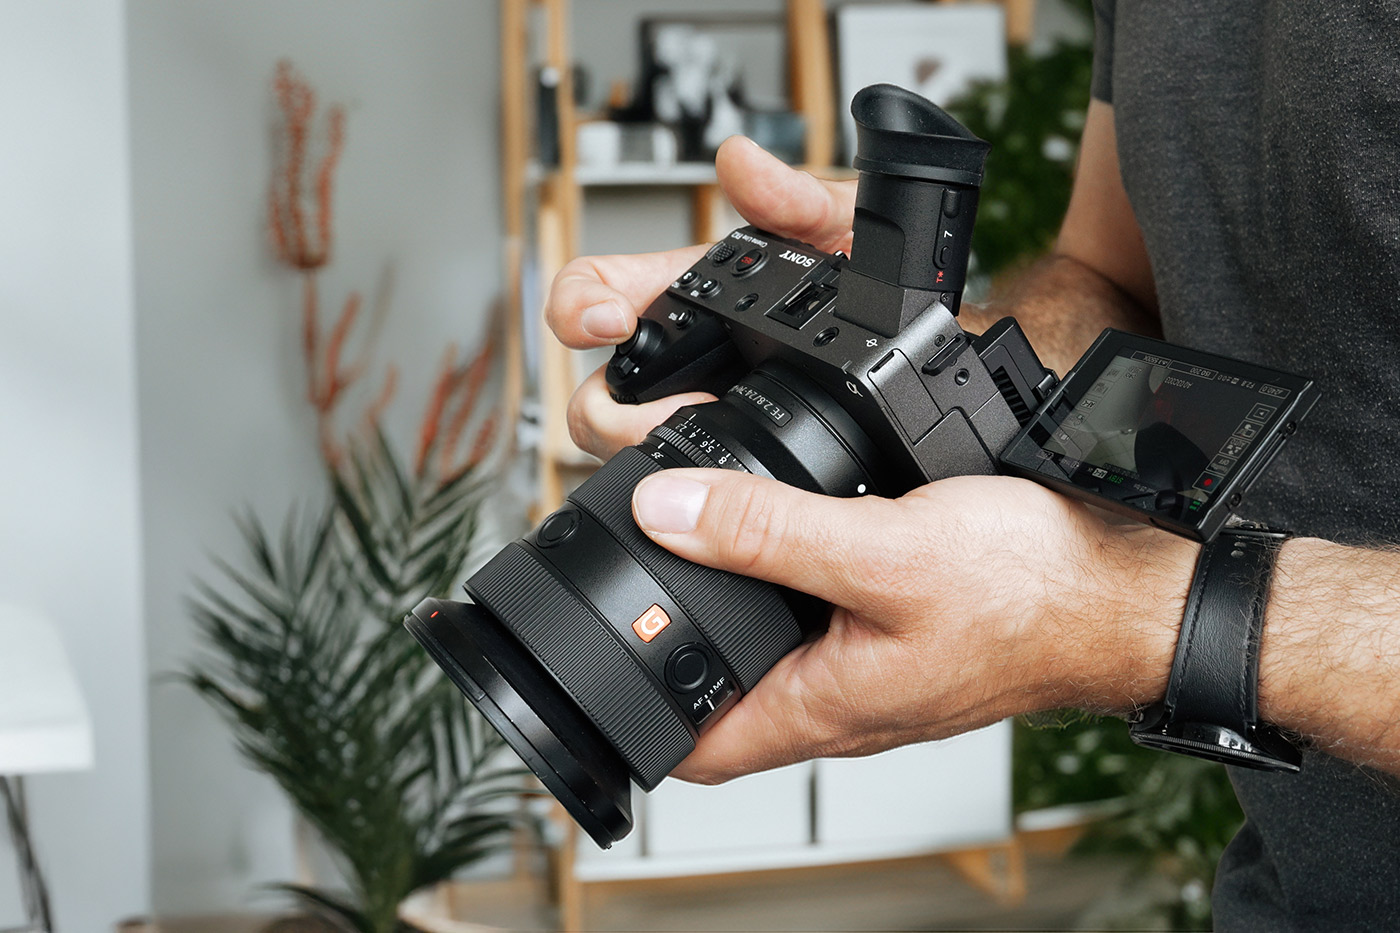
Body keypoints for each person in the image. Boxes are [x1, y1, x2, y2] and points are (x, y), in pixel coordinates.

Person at [543, 3, 1400, 927]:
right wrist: (896, 341)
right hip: (1281, 894)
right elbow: (1109, 278)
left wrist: (1115, 614)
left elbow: (1106, 605)